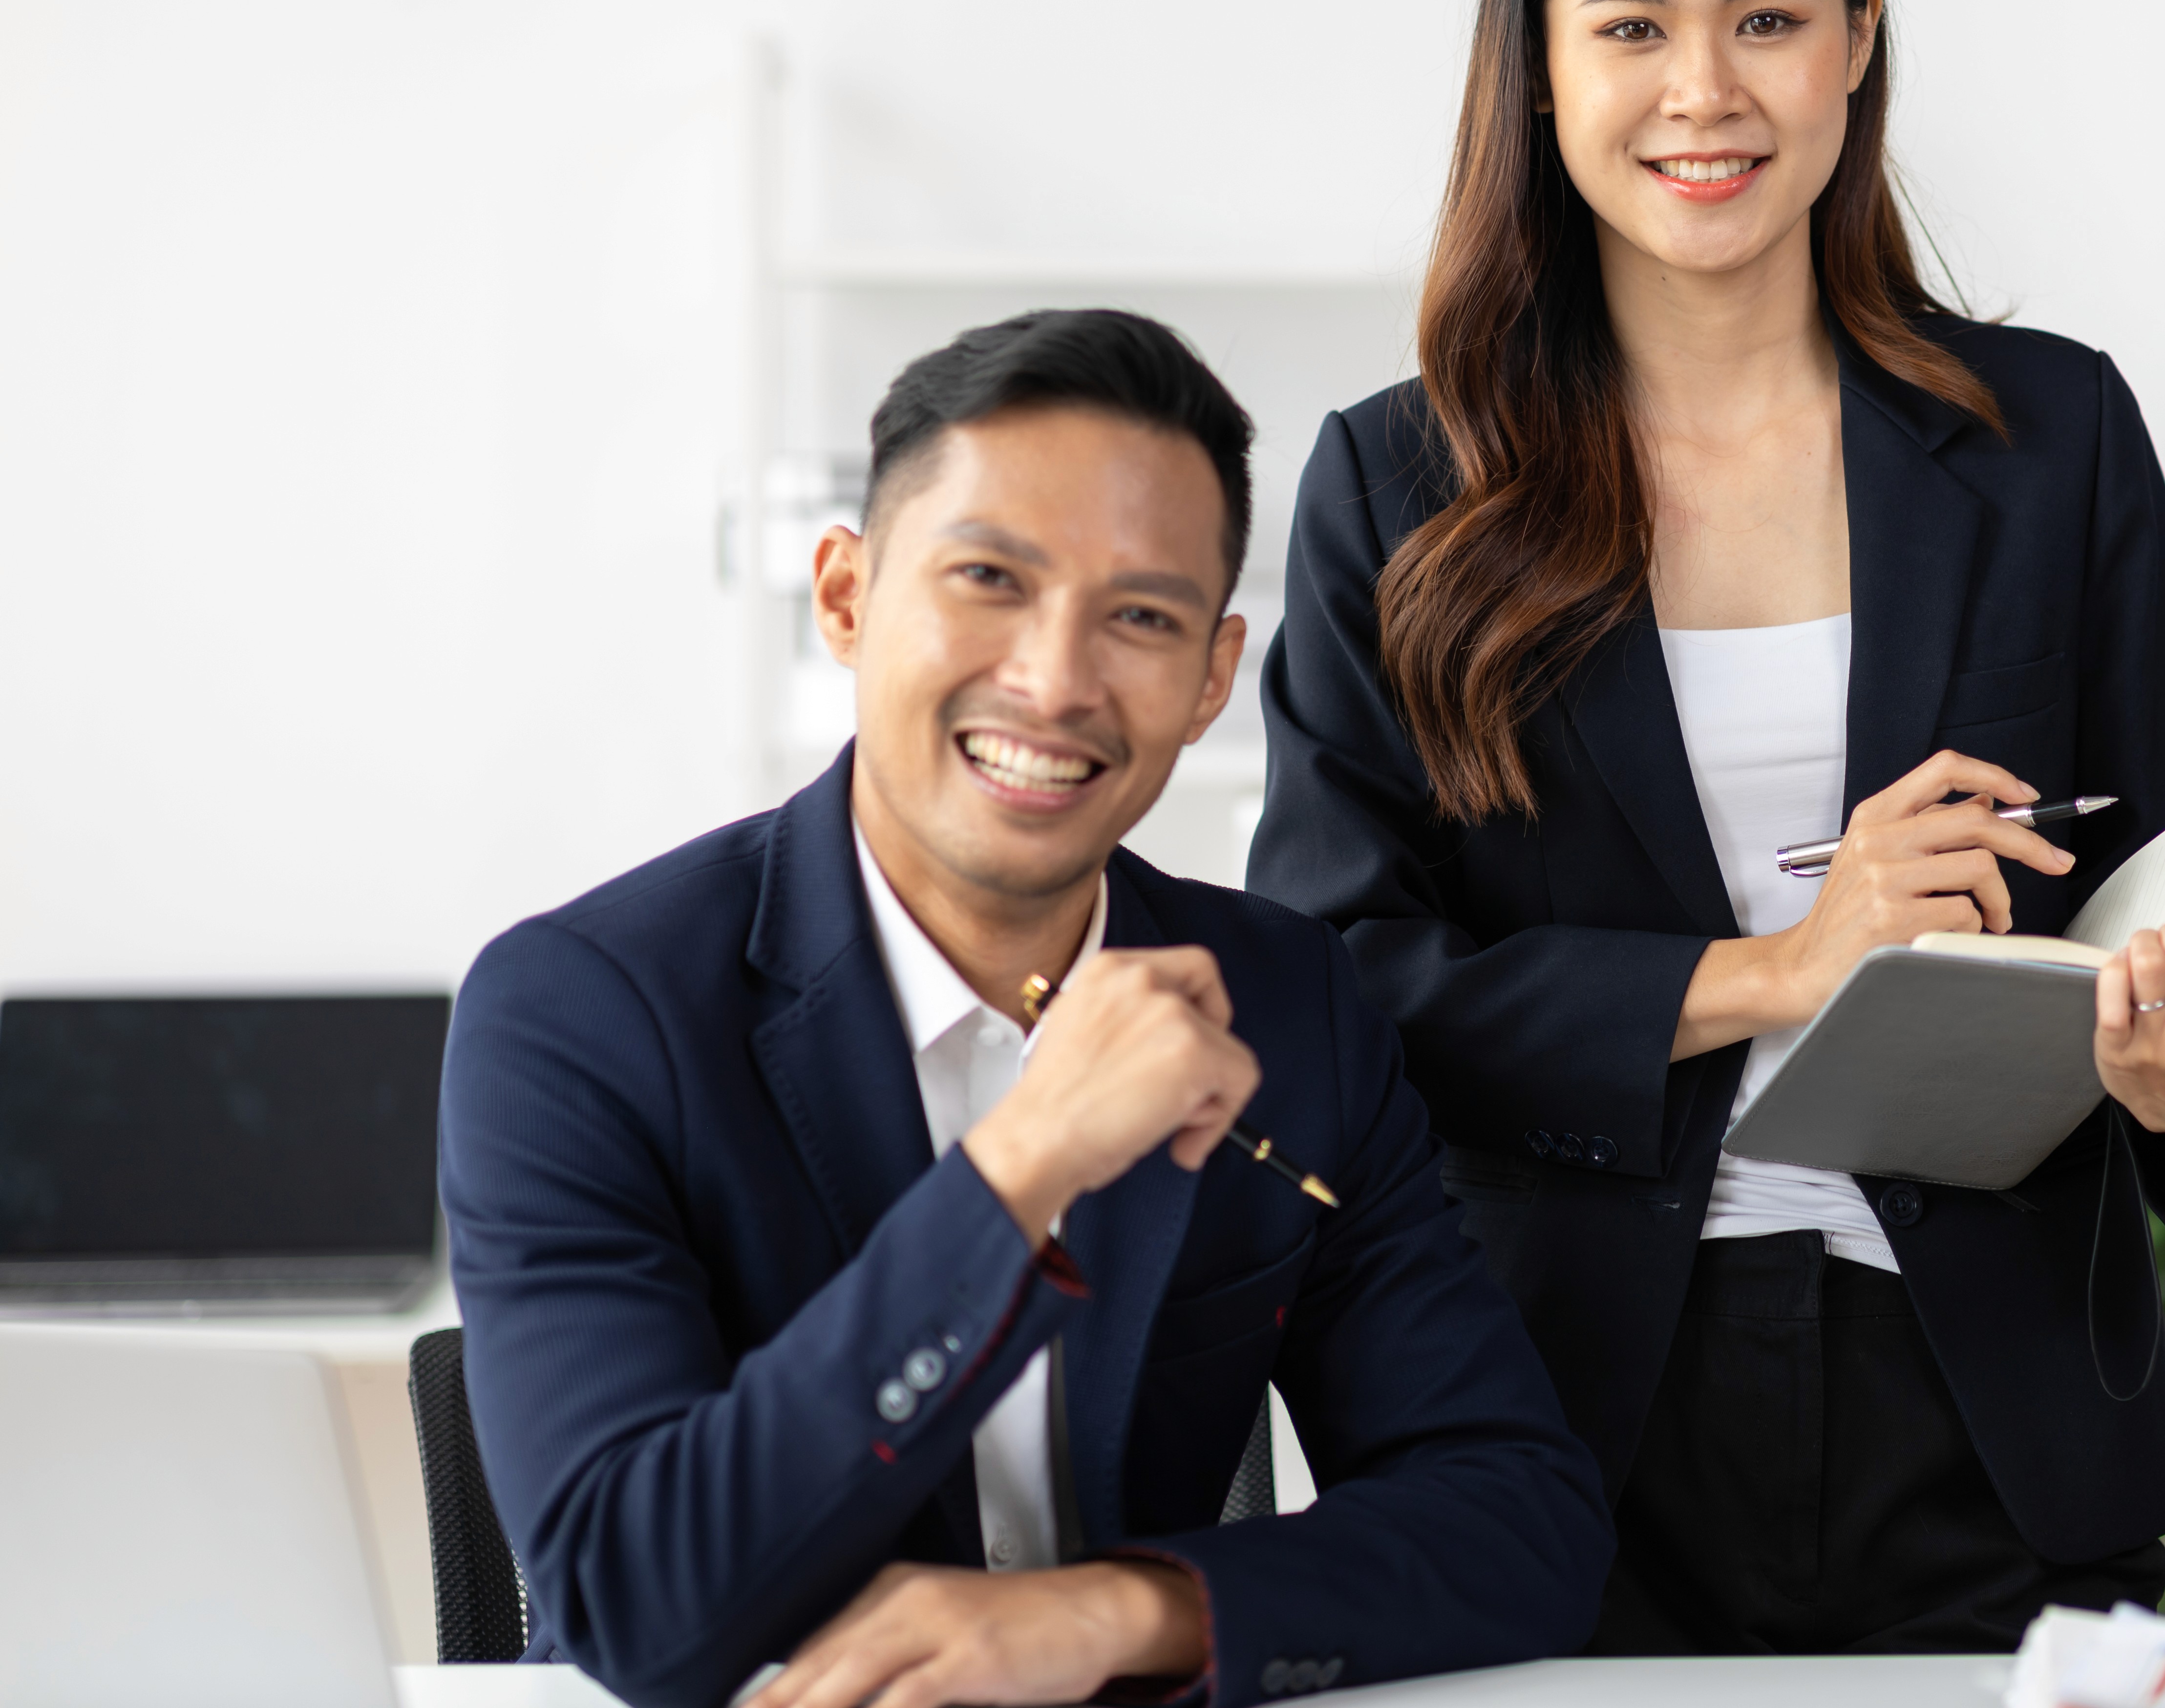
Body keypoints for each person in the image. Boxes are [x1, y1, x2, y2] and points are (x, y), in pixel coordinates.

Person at [1248, 0, 2165, 1656]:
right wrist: (1777, 971)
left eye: (1767, 19)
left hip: (1994, 1422)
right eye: (1631, 27)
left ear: (1858, 41)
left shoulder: (2049, 437)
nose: (1704, 92)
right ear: (1539, 65)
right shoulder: (1399, 490)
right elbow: (1341, 991)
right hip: (1562, 1415)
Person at [441, 311, 1613, 1708]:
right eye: (989, 579)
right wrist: (1022, 1170)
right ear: (845, 598)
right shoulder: (579, 1015)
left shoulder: (1289, 1004)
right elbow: (631, 1597)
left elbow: (1519, 1518)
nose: (1056, 683)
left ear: (1212, 680)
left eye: (1142, 618)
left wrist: (1115, 1614)